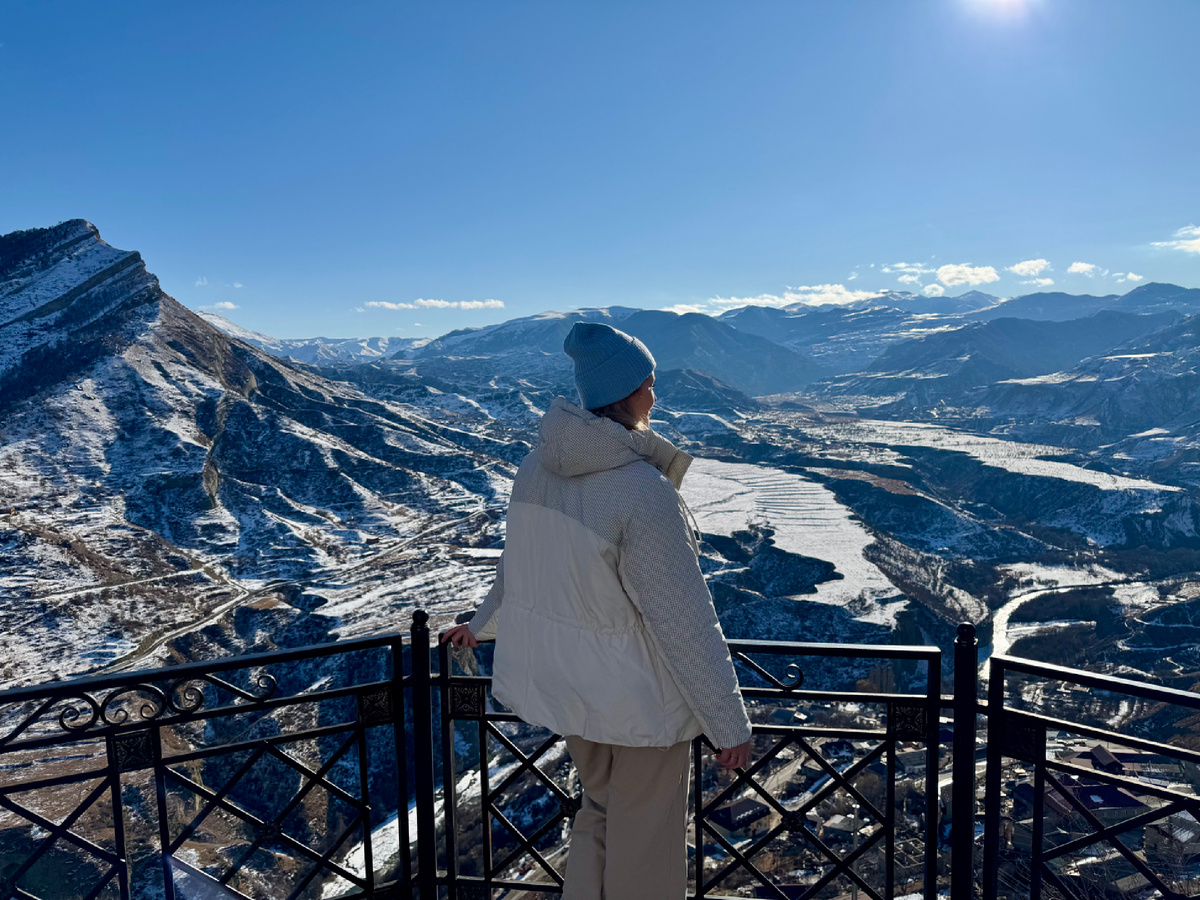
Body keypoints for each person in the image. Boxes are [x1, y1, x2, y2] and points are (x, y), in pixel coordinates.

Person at [442, 321, 752, 899]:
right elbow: (682, 619)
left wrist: (480, 626)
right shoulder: (641, 490)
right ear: (627, 393)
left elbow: (521, 566)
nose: (655, 397)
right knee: (648, 841)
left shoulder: (537, 468)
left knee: (597, 816)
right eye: (649, 385)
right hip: (642, 704)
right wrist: (727, 722)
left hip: (576, 691)